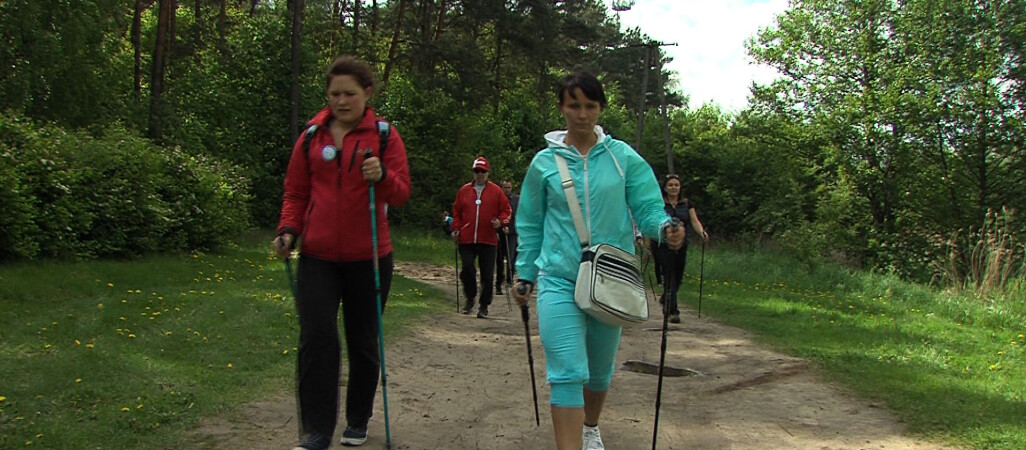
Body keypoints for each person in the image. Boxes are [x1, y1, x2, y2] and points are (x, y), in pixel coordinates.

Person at [512, 70, 685, 450]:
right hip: (558, 278)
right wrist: (525, 273)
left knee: (598, 372)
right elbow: (529, 222)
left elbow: (648, 208)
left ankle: (590, 426)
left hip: (611, 279)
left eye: (590, 106)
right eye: (574, 105)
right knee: (567, 371)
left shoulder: (623, 158)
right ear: (561, 108)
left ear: (600, 108)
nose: (582, 114)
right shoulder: (544, 163)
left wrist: (665, 228)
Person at [273, 55, 411, 450]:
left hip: (368, 256)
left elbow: (401, 193)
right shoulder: (311, 136)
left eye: (349, 93)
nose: (341, 101)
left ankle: (358, 417)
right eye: (334, 94)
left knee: (363, 339)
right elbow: (296, 192)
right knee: (316, 337)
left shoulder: (384, 136)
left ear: (367, 93)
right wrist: (288, 230)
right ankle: (316, 430)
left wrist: (382, 176)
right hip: (317, 255)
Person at [450, 157, 512, 318]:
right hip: (467, 238)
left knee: (487, 274)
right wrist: (455, 228)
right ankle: (470, 297)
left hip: (488, 238)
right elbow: (456, 212)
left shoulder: (496, 191)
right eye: (477, 171)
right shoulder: (464, 190)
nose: (479, 174)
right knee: (467, 269)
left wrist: (501, 221)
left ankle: (484, 306)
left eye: (482, 171)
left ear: (488, 172)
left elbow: (506, 210)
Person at [648, 174, 709, 324]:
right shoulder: (659, 204)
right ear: (665, 188)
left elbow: (694, 221)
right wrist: (647, 247)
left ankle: (666, 298)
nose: (673, 188)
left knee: (679, 275)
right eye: (670, 185)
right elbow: (651, 224)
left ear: (680, 187)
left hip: (682, 244)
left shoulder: (687, 204)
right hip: (661, 244)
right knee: (669, 275)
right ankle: (673, 311)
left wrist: (701, 232)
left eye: (676, 185)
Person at [495, 179, 519, 295]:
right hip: (499, 231)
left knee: (511, 256)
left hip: (512, 232)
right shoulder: (496, 199)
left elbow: (518, 215)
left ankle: (510, 278)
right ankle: (499, 282)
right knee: (499, 258)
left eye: (509, 187)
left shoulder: (516, 200)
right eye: (505, 187)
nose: (507, 190)